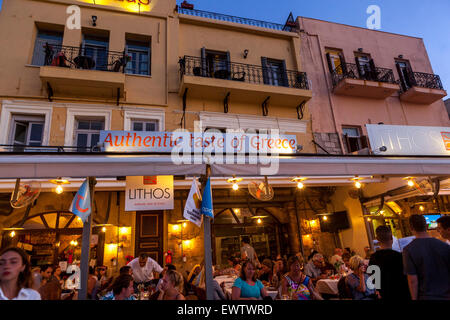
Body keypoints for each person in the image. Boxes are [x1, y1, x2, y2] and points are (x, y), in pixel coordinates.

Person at [402, 215, 450, 300]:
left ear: (411, 227)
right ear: (427, 226)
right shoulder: (444, 245)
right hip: (446, 295)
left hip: (426, 296)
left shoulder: (408, 250)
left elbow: (413, 280)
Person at [369, 226, 410, 300]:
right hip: (403, 294)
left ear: (377, 239)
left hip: (386, 295)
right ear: (391, 238)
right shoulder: (400, 256)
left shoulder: (373, 258)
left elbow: (375, 281)